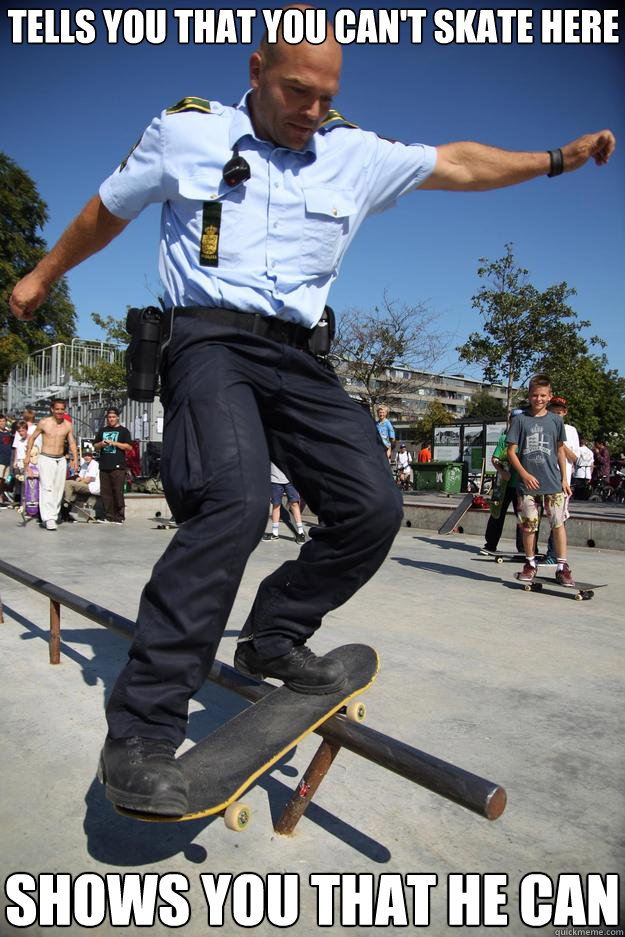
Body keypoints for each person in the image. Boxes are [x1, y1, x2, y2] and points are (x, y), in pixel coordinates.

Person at [9, 7, 614, 816]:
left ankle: (274, 635)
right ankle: (142, 731)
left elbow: (457, 163)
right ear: (256, 68)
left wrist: (551, 160)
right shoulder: (186, 133)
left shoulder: (351, 152)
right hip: (208, 341)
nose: (312, 110)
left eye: (326, 95)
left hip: (300, 356)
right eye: (297, 90)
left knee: (373, 507)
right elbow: (105, 210)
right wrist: (41, 277)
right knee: (234, 502)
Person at [507, 374, 574, 587]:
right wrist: (524, 475)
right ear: (529, 395)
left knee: (558, 524)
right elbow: (511, 452)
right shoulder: (520, 420)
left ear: (550, 396)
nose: (539, 399)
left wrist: (564, 478)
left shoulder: (556, 420)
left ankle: (562, 567)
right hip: (527, 485)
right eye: (535, 395)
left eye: (543, 395)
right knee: (529, 526)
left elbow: (560, 450)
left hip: (553, 482)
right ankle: (530, 563)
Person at [23, 399, 78, 531]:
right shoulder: (44, 422)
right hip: (46, 458)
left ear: (65, 410)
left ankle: (53, 514)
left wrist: (75, 458)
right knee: (47, 488)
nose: (59, 411)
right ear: (52, 410)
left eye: (62, 409)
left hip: (61, 459)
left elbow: (71, 442)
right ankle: (48, 518)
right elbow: (32, 438)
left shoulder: (68, 425)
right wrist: (27, 456)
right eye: (57, 409)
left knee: (58, 489)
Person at [482, 409, 525, 555]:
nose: (516, 423)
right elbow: (495, 459)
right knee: (497, 513)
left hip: (521, 485)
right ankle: (490, 544)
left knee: (523, 516)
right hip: (504, 485)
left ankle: (524, 548)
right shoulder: (504, 439)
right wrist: (502, 471)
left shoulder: (526, 438)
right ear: (510, 421)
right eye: (514, 420)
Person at [543, 396, 580, 564]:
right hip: (544, 476)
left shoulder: (570, 431)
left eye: (560, 412)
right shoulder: (544, 427)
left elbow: (574, 458)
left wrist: (561, 443)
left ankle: (554, 554)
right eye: (553, 412)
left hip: (561, 480)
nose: (556, 415)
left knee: (559, 517)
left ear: (565, 413)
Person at [93, 409, 132, 524]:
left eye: (113, 417)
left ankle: (119, 516)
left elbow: (129, 447)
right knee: (106, 492)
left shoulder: (124, 431)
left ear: (117, 417)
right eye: (109, 417)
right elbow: (95, 445)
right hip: (104, 465)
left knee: (117, 491)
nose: (111, 419)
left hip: (118, 466)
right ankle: (108, 516)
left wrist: (115, 443)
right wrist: (101, 444)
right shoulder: (102, 430)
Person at [263, 462, 306, 543]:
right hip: (274, 480)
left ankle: (301, 533)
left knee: (294, 504)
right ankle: (275, 534)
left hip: (290, 480)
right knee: (276, 505)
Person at [63, 450, 101, 515]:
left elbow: (88, 480)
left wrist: (79, 480)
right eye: (85, 456)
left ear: (92, 456)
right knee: (67, 483)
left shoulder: (94, 464)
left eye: (88, 455)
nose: (86, 457)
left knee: (68, 483)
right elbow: (79, 478)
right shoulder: (84, 464)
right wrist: (80, 480)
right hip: (86, 485)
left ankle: (66, 502)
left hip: (92, 487)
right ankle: (66, 503)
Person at [0, 414, 13, 508]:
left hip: (7, 460)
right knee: (0, 480)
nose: (2, 423)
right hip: (0, 460)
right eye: (0, 421)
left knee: (5, 480)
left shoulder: (8, 433)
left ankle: (1, 497)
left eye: (3, 421)